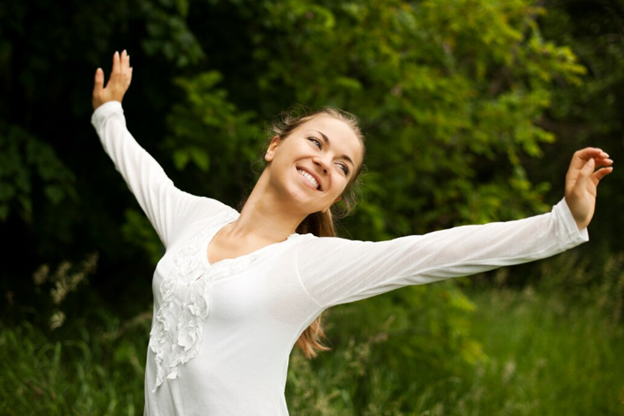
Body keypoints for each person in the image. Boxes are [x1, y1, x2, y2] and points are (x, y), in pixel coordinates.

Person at [91, 50, 613, 416]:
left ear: (336, 195)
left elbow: (435, 250)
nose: (324, 162)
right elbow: (144, 174)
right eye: (316, 142)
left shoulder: (309, 263)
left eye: (342, 166)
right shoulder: (196, 218)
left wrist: (561, 222)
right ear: (275, 146)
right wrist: (110, 112)